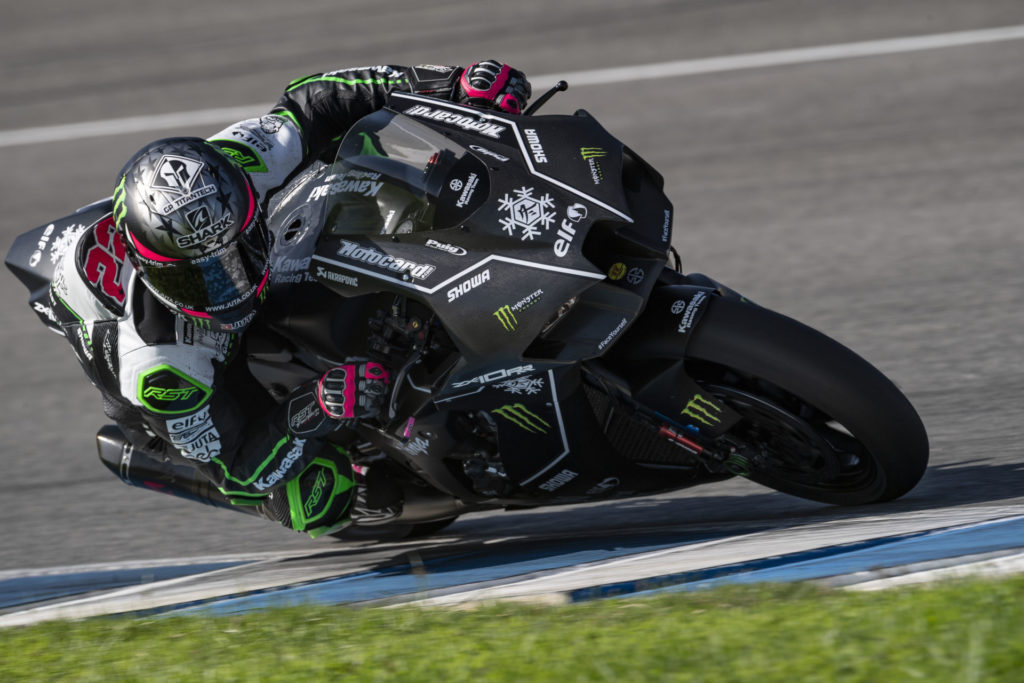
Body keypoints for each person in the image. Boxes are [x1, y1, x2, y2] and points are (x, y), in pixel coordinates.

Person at [48, 61, 531, 538]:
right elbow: (238, 471)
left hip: (233, 241)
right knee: (315, 497)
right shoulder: (162, 369)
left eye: (237, 253)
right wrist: (316, 405)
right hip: (205, 392)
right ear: (155, 271)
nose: (230, 283)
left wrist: (450, 84)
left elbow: (315, 99)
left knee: (352, 177)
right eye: (204, 278)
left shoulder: (238, 165)